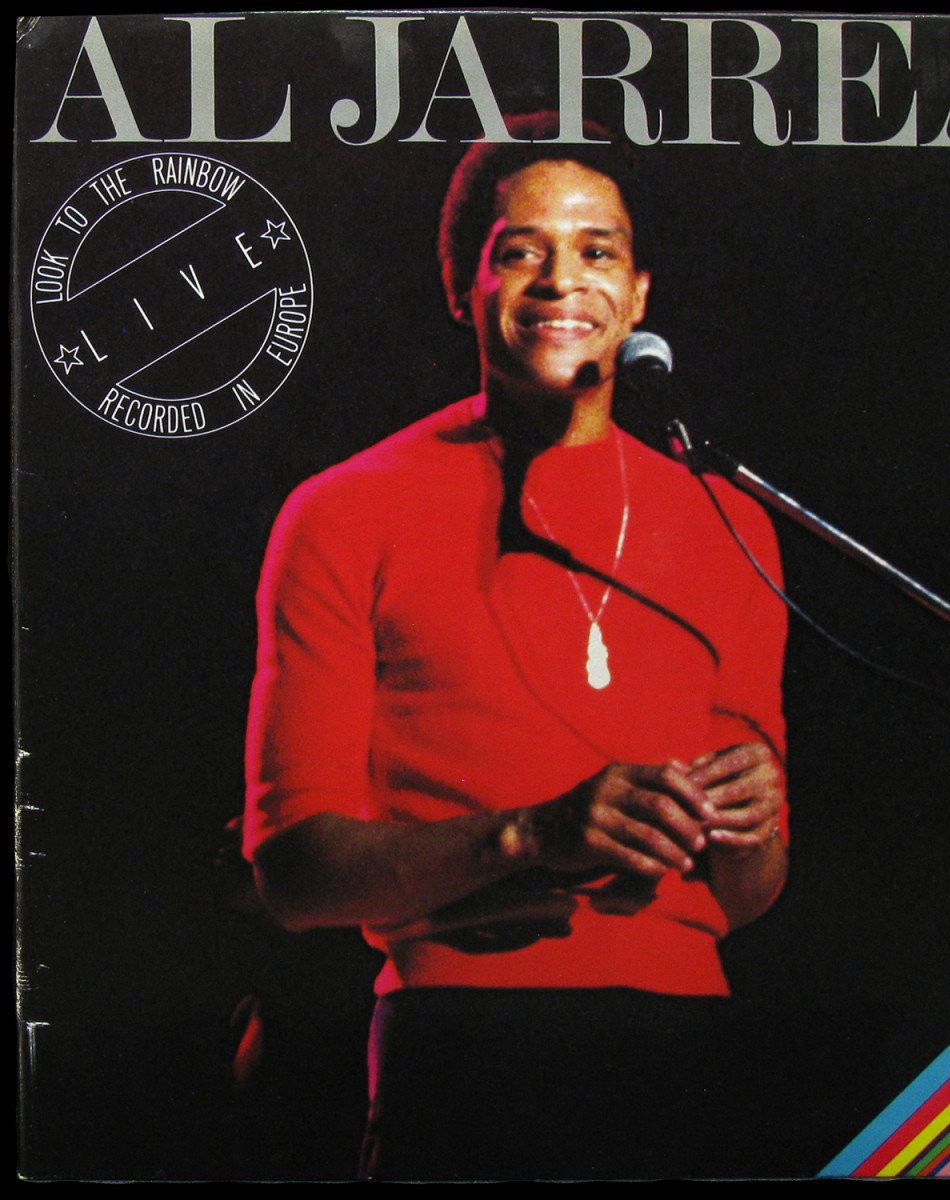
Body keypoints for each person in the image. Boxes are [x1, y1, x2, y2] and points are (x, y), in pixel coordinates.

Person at [243, 113, 789, 1180]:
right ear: (464, 286)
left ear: (638, 294)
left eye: (597, 251)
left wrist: (754, 817)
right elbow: (296, 872)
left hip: (690, 1043)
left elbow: (744, 893)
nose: (561, 280)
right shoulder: (344, 511)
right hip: (464, 1042)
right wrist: (534, 835)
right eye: (522, 251)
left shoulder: (731, 520)